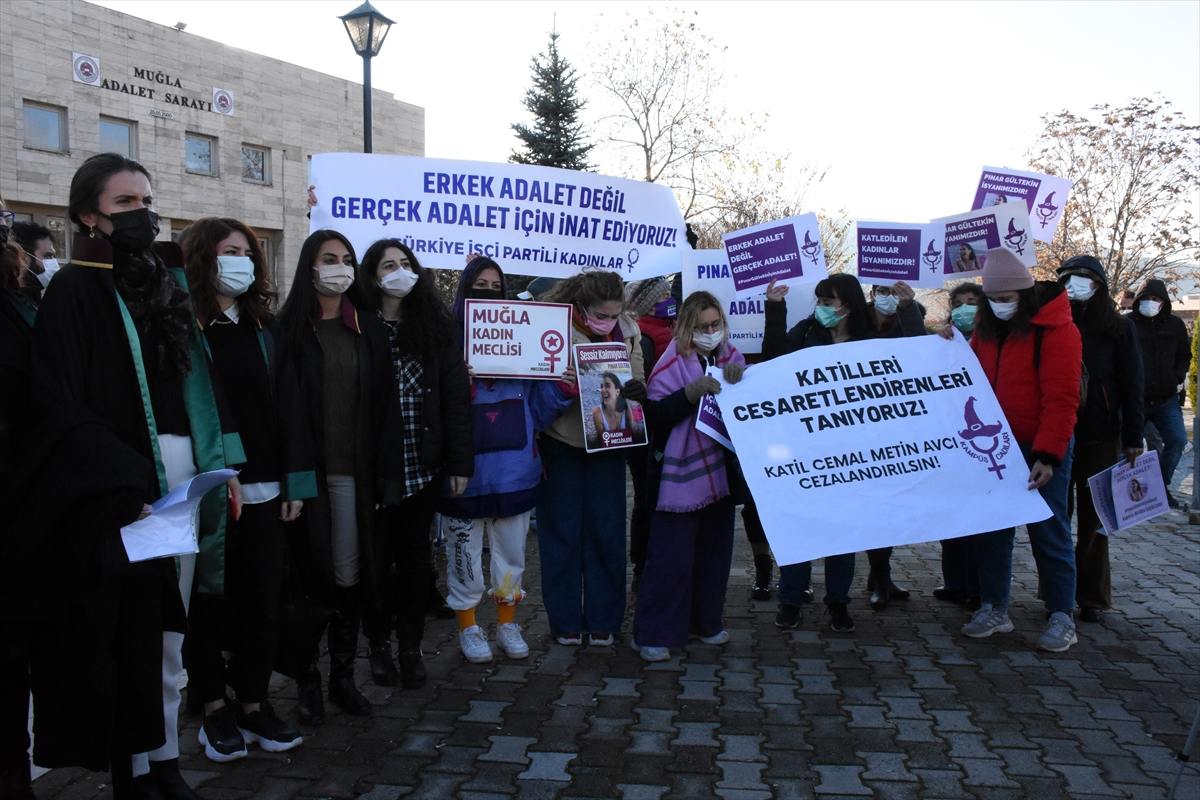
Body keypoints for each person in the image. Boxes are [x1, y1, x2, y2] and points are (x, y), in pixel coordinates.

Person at [29, 153, 240, 798]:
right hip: (122, 488)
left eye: (146, 200)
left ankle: (164, 756)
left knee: (169, 627)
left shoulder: (165, 286)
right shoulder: (73, 289)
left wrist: (222, 466)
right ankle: (134, 770)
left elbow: (199, 386)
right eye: (125, 203)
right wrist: (119, 484)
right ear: (88, 214)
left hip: (182, 478)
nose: (141, 212)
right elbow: (61, 401)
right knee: (126, 629)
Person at [179, 217, 316, 760]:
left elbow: (290, 406)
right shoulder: (183, 325)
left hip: (267, 490)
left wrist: (296, 481)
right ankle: (214, 708)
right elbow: (202, 408)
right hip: (213, 489)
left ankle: (255, 703)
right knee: (209, 603)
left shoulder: (264, 326)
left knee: (263, 602)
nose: (238, 260)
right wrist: (227, 466)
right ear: (201, 259)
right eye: (226, 251)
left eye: (245, 252)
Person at [762, 273, 925, 631]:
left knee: (843, 531)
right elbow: (772, 360)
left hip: (852, 454)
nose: (820, 308)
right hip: (804, 450)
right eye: (818, 301)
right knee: (800, 529)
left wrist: (909, 309)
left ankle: (838, 602)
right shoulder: (806, 334)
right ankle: (790, 601)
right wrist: (775, 309)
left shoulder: (870, 340)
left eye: (827, 302)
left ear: (847, 306)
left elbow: (916, 354)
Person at [277, 230, 393, 722]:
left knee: (347, 576)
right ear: (310, 267)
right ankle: (306, 679)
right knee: (306, 580)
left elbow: (386, 410)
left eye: (346, 259)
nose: (340, 267)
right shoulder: (285, 331)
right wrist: (292, 479)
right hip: (303, 479)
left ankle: (342, 677)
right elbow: (280, 411)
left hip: (353, 476)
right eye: (330, 259)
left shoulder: (370, 329)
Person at [440, 256, 574, 664]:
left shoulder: (526, 339)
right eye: (478, 285)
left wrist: (562, 389)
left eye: (495, 285)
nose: (488, 292)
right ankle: (468, 625)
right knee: (463, 554)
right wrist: (452, 384)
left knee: (511, 554)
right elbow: (431, 409)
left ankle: (507, 622)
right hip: (463, 473)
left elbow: (539, 407)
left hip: (515, 471)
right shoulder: (444, 342)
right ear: (464, 290)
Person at [353, 239, 473, 689]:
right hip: (374, 469)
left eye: (406, 264)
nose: (400, 271)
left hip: (421, 465)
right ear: (373, 275)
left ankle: (410, 646)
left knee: (416, 558)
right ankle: (379, 645)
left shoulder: (435, 326)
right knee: (376, 560)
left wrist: (460, 461)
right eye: (389, 265)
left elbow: (456, 398)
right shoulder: (359, 325)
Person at [955, 247, 1082, 652]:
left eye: (1006, 300)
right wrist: (949, 342)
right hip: (997, 447)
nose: (999, 306)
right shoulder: (986, 328)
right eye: (992, 300)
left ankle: (1062, 615)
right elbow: (968, 374)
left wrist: (1047, 454)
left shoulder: (1058, 329)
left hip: (1041, 446)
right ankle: (995, 607)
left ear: (1024, 296)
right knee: (993, 530)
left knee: (1050, 530)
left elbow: (1062, 398)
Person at [630, 291, 746, 661]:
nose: (710, 332)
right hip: (677, 479)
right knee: (670, 560)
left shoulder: (733, 358)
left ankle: (705, 623)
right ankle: (652, 633)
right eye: (701, 327)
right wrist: (689, 394)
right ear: (686, 328)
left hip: (721, 476)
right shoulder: (670, 363)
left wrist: (740, 383)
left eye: (715, 325)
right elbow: (656, 417)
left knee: (714, 557)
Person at [537, 271, 644, 646]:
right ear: (582, 305)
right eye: (601, 314)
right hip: (562, 441)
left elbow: (640, 380)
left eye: (615, 314)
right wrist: (561, 380)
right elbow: (535, 378)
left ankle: (604, 619)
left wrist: (635, 387)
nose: (608, 321)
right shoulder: (554, 325)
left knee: (607, 529)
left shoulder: (629, 331)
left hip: (609, 444)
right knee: (562, 532)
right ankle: (565, 620)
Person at [1056, 255, 1144, 623]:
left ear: (1098, 284)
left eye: (1081, 278)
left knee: (1094, 522)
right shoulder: (1053, 322)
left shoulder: (1119, 328)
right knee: (1058, 519)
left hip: (1100, 434)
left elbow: (1132, 382)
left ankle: (1092, 597)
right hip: (1059, 433)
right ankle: (1057, 594)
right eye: (1066, 277)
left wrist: (1133, 435)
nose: (1073, 283)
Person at [933, 282, 985, 609]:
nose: (967, 309)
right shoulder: (943, 339)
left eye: (973, 302)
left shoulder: (992, 339)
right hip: (949, 437)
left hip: (979, 439)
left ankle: (977, 589)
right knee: (953, 517)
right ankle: (954, 583)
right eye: (961, 303)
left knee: (978, 522)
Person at [623, 278, 675, 589]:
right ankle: (642, 567)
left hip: (663, 425)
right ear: (649, 303)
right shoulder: (642, 336)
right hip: (646, 429)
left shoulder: (670, 328)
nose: (671, 300)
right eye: (665, 296)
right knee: (646, 497)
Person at [1129, 278, 1192, 506]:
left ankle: (1159, 487)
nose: (1150, 303)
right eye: (1146, 299)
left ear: (1163, 302)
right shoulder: (1128, 324)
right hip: (1134, 399)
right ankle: (1123, 494)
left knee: (1177, 441)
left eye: (1155, 299)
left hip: (1165, 399)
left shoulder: (1175, 325)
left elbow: (1185, 355)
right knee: (1123, 447)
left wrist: (1176, 376)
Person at [10, 220, 58, 305]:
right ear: (23, 258)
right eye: (47, 256)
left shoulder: (35, 301)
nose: (54, 262)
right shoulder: (9, 305)